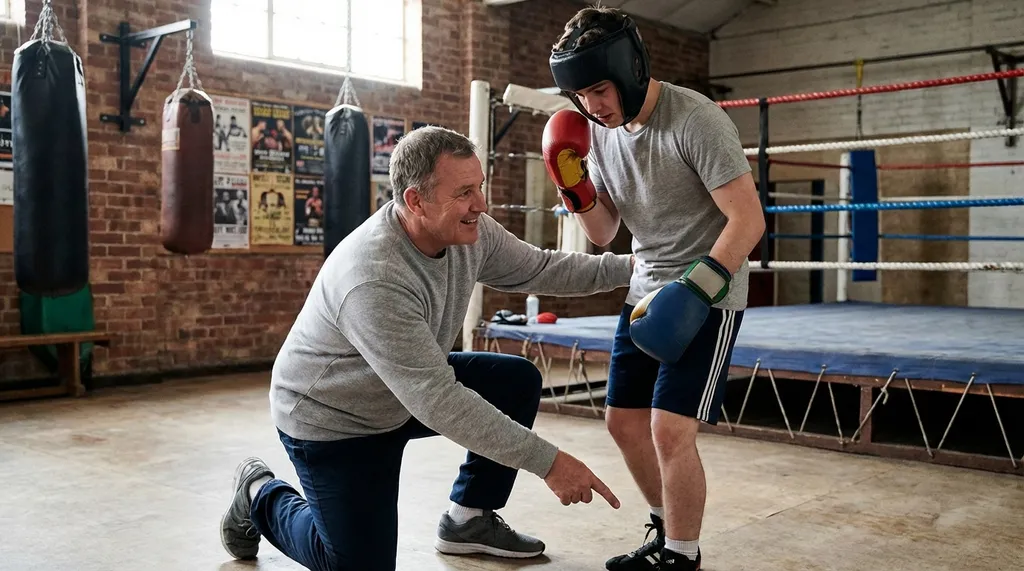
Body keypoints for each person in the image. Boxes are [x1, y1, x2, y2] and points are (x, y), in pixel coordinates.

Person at [219, 125, 633, 571]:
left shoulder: (469, 232)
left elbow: (542, 268)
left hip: (402, 387)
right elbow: (439, 401)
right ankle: (258, 493)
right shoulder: (374, 277)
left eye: (479, 187)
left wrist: (639, 267)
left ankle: (468, 520)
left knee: (515, 381)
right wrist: (550, 462)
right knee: (356, 565)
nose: (480, 204)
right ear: (415, 200)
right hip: (334, 416)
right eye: (464, 193)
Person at [544, 7, 766, 571]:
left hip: (707, 294)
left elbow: (748, 221)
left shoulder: (697, 120)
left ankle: (682, 558)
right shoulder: (598, 130)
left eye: (598, 89)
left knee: (670, 431)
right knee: (623, 424)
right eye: (580, 96)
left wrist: (698, 290)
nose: (592, 106)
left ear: (630, 68)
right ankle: (667, 533)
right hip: (643, 294)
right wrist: (574, 185)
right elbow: (605, 232)